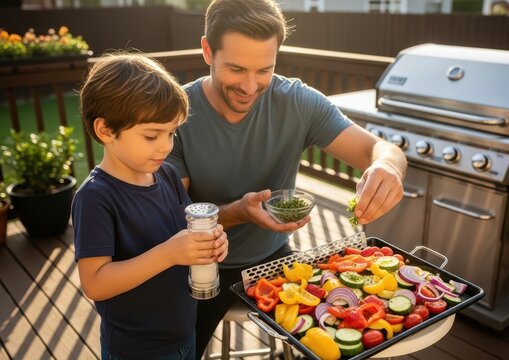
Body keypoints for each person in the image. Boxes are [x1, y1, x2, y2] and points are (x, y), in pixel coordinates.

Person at [165, 0, 407, 356]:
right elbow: (174, 220)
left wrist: (386, 167)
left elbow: (382, 149)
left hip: (274, 258)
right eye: (236, 69)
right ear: (207, 51)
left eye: (265, 69)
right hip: (199, 266)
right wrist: (238, 212)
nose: (250, 86)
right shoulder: (176, 114)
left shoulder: (297, 101)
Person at [73, 53, 229, 360]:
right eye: (151, 135)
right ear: (106, 131)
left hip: (184, 331)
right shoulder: (96, 198)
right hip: (137, 348)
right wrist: (169, 254)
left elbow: (184, 235)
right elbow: (95, 282)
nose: (166, 146)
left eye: (171, 132)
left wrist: (209, 245)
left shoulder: (168, 175)